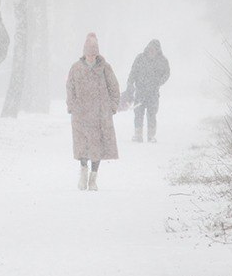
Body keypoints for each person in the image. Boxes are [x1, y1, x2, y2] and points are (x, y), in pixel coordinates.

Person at [66, 33, 121, 191]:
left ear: (97, 53)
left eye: (94, 52)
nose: (91, 56)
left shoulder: (105, 68)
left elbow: (114, 88)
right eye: (88, 52)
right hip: (81, 114)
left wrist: (112, 106)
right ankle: (83, 173)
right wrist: (71, 105)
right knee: (82, 145)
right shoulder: (75, 68)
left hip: (99, 114)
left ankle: (93, 178)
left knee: (97, 146)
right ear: (84, 52)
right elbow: (70, 88)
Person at [124, 39, 170, 143]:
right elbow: (133, 72)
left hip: (153, 92)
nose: (152, 51)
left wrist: (159, 82)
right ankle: (138, 135)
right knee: (138, 113)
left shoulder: (162, 60)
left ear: (158, 50)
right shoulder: (140, 58)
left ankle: (151, 136)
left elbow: (167, 73)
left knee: (152, 114)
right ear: (147, 48)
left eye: (154, 49)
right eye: (150, 49)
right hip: (140, 91)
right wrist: (130, 84)